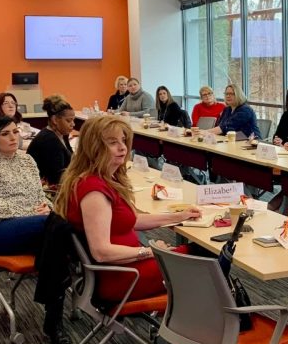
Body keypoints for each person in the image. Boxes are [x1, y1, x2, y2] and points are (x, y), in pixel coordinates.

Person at [54, 116, 201, 304]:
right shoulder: (93, 190)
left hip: (129, 266)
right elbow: (101, 252)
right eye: (113, 142)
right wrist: (151, 251)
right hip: (124, 277)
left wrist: (179, 216)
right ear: (94, 147)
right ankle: (212, 324)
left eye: (123, 141)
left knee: (201, 255)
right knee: (207, 260)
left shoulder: (102, 179)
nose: (122, 147)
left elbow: (130, 220)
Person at [0, 116, 69, 344]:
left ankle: (53, 318)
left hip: (34, 227)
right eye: (5, 134)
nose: (13, 137)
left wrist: (47, 207)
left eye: (15, 132)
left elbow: (40, 196)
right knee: (60, 227)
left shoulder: (28, 161)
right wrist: (32, 214)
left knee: (56, 240)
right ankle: (73, 302)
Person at [27, 95, 75, 186]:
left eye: (73, 120)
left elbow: (72, 158)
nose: (73, 124)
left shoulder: (62, 134)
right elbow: (57, 178)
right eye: (69, 121)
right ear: (55, 120)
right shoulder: (49, 141)